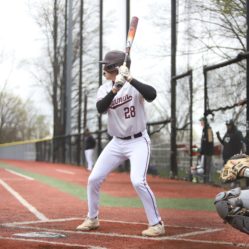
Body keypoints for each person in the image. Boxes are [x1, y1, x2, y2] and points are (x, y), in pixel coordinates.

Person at [76, 50, 165, 237]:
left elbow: (152, 95)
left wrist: (130, 79)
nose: (103, 68)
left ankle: (156, 223)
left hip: (138, 141)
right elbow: (101, 108)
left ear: (114, 67)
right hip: (116, 143)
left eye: (106, 65)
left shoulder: (134, 86)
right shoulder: (104, 88)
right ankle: (92, 218)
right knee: (93, 179)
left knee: (138, 181)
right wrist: (115, 88)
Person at [199, 117, 214, 183]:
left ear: (205, 122)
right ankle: (204, 179)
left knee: (207, 167)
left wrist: (206, 149)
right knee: (203, 166)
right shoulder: (204, 130)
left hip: (208, 152)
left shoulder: (208, 129)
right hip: (204, 152)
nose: (201, 123)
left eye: (202, 121)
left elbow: (210, 140)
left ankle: (207, 180)